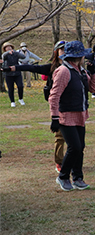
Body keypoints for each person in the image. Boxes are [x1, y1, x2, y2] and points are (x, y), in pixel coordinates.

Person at [48, 41, 95, 191]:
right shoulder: (63, 71)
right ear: (78, 56)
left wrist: (93, 72)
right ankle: (63, 176)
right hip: (65, 116)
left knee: (80, 147)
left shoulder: (81, 71)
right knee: (74, 147)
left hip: (80, 116)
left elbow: (93, 88)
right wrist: (54, 118)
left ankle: (78, 177)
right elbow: (54, 95)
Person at [12, 41, 67, 172]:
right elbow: (32, 68)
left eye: (66, 50)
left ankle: (73, 160)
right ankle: (59, 162)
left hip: (73, 104)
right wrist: (14, 67)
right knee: (60, 135)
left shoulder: (75, 67)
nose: (64, 52)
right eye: (62, 50)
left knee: (75, 136)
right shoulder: (52, 67)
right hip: (59, 105)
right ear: (56, 52)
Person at [1, 42, 26, 107]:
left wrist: (16, 52)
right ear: (5, 49)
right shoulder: (5, 55)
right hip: (8, 74)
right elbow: (3, 57)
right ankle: (12, 101)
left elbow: (23, 57)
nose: (9, 48)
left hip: (17, 72)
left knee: (20, 86)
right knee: (10, 88)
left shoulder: (15, 53)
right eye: (7, 47)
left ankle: (21, 99)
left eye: (10, 46)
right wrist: (7, 52)